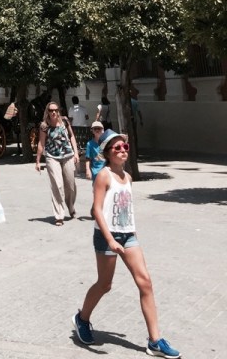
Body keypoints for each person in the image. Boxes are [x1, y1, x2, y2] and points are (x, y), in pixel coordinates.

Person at [72, 131, 181, 358]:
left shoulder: (128, 177)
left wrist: (131, 232)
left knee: (146, 283)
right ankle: (82, 319)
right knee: (105, 284)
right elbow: (97, 210)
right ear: (108, 153)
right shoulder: (103, 176)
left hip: (128, 235)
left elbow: (125, 208)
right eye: (117, 148)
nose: (122, 150)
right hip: (106, 236)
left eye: (125, 147)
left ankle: (155, 341)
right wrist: (110, 239)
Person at [35, 101, 79, 225]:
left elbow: (71, 136)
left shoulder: (65, 121)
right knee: (57, 185)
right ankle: (59, 215)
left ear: (58, 110)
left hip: (67, 155)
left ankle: (70, 206)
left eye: (55, 110)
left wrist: (76, 153)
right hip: (52, 157)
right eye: (51, 110)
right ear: (47, 112)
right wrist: (38, 161)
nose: (53, 112)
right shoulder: (44, 126)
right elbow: (41, 143)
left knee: (70, 185)